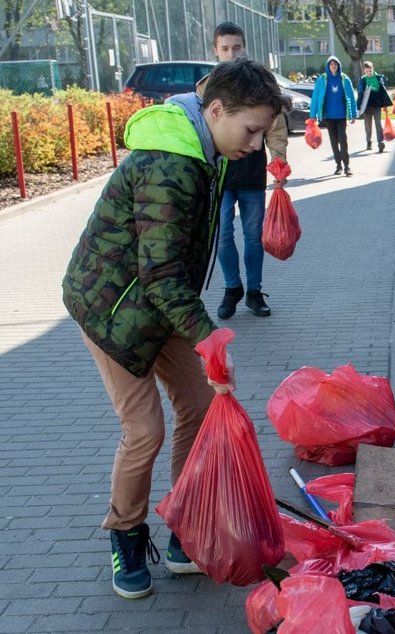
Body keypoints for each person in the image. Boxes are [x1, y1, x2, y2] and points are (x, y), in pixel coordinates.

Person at [61, 59, 287, 599]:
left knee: (201, 403)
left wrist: (197, 332)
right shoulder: (171, 160)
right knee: (144, 430)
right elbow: (158, 272)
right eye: (251, 130)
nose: (256, 145)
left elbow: (166, 276)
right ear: (214, 110)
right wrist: (207, 335)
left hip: (157, 305)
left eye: (262, 132)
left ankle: (185, 519)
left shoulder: (202, 149)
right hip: (111, 310)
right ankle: (125, 532)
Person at [207, 21, 289, 320]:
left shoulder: (258, 84)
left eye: (237, 48)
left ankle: (254, 291)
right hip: (220, 178)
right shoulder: (206, 88)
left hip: (252, 174)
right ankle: (232, 288)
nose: (232, 54)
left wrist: (278, 163)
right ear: (215, 51)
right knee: (222, 236)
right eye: (225, 48)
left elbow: (276, 128)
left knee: (254, 236)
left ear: (245, 48)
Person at [310, 55, 357, 176]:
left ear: (338, 66)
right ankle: (338, 166)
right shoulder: (322, 80)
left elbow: (351, 97)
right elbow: (315, 97)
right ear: (328, 66)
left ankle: (347, 166)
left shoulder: (344, 79)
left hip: (341, 115)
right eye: (331, 64)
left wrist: (353, 114)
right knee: (334, 141)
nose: (333, 66)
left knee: (343, 139)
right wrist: (312, 115)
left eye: (335, 64)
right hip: (329, 116)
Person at [357, 60, 393, 153]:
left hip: (377, 105)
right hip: (367, 106)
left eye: (370, 70)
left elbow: (382, 92)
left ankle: (380, 142)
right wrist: (358, 107)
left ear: (373, 69)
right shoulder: (363, 80)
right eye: (367, 71)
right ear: (364, 71)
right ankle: (368, 141)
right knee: (368, 126)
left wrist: (384, 105)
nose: (369, 72)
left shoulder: (378, 78)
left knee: (378, 124)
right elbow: (360, 94)